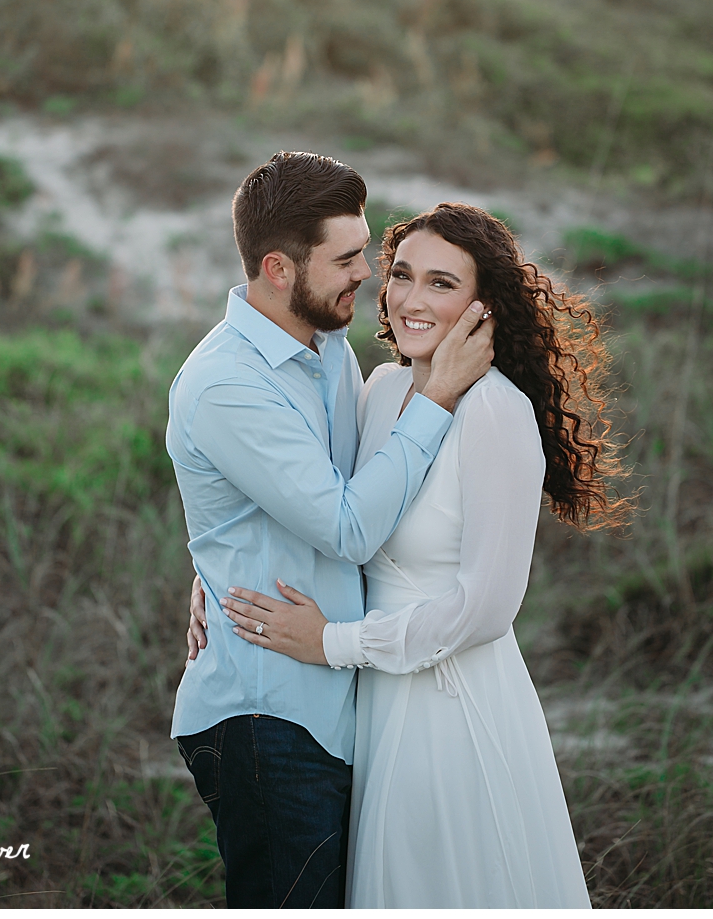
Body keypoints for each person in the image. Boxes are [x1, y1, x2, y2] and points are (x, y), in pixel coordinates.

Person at [216, 203, 623, 907]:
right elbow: (321, 511)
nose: (410, 298)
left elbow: (487, 609)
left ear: (482, 306)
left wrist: (334, 642)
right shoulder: (381, 390)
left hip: (454, 704)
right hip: (379, 700)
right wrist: (210, 578)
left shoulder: (495, 411)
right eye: (402, 275)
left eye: (441, 283)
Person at [169, 152, 495, 907]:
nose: (367, 276)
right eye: (347, 259)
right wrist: (438, 396)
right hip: (266, 715)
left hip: (333, 702)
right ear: (278, 269)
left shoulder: (326, 350)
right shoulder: (226, 384)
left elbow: (308, 494)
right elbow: (348, 525)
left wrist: (215, 559)